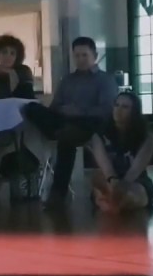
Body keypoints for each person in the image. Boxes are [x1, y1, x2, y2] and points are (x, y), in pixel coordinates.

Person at [22, 36, 119, 204]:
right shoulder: (67, 80)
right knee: (31, 108)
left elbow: (106, 110)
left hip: (91, 123)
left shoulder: (105, 80)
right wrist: (62, 111)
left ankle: (58, 192)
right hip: (64, 121)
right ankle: (60, 132)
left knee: (67, 139)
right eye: (77, 56)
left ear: (94, 56)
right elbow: (54, 107)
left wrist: (79, 111)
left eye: (84, 55)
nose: (80, 60)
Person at [89, 92, 153, 213]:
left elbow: (136, 170)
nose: (118, 110)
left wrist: (122, 187)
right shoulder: (99, 135)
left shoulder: (147, 136)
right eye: (116, 105)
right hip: (109, 180)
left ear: (134, 111)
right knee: (100, 181)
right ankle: (111, 202)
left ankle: (117, 202)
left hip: (135, 181)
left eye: (125, 107)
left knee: (133, 195)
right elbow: (106, 168)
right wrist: (113, 182)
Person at [0, 34, 36, 100]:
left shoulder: (24, 71)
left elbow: (28, 96)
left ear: (17, 57)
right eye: (4, 52)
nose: (8, 56)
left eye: (12, 53)